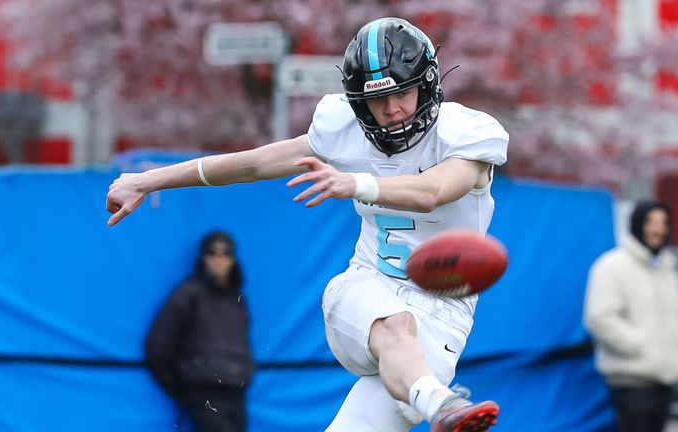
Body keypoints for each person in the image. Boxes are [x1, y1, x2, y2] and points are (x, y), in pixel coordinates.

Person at [108, 17, 508, 432]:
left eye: (403, 93)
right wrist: (147, 179)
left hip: (443, 314)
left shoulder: (466, 134)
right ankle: (441, 404)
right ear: (358, 102)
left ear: (427, 85)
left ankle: (432, 398)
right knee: (395, 323)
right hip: (366, 288)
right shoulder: (345, 130)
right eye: (378, 99)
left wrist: (355, 183)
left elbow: (433, 191)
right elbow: (252, 164)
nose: (392, 111)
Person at [583, 201, 678, 432]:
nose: (658, 229)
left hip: (665, 379)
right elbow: (599, 317)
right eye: (651, 222)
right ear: (637, 224)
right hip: (631, 381)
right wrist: (640, 345)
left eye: (663, 223)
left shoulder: (667, 269)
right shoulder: (612, 266)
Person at [144, 231, 253, 432]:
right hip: (204, 393)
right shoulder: (188, 294)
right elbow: (158, 347)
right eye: (212, 253)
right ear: (203, 258)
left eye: (226, 253)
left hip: (236, 393)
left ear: (233, 259)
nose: (219, 259)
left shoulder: (237, 299)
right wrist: (182, 389)